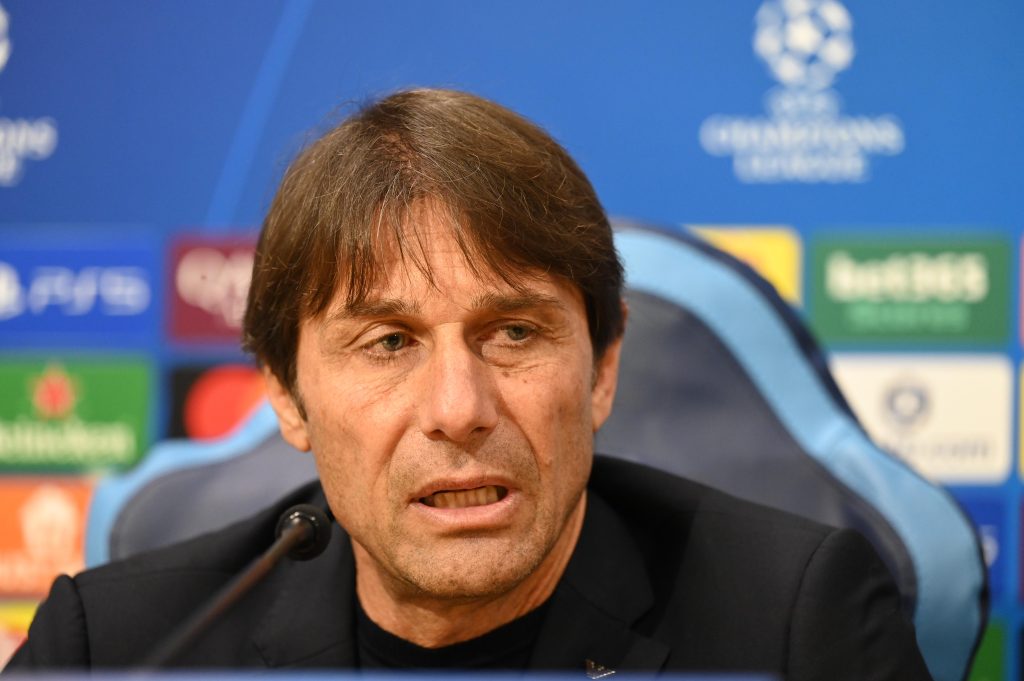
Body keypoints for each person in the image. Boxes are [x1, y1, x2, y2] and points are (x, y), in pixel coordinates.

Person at [6, 89, 932, 679]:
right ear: (286, 395)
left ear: (603, 368)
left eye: (514, 333)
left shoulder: (794, 625)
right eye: (389, 342)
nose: (458, 409)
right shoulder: (117, 646)